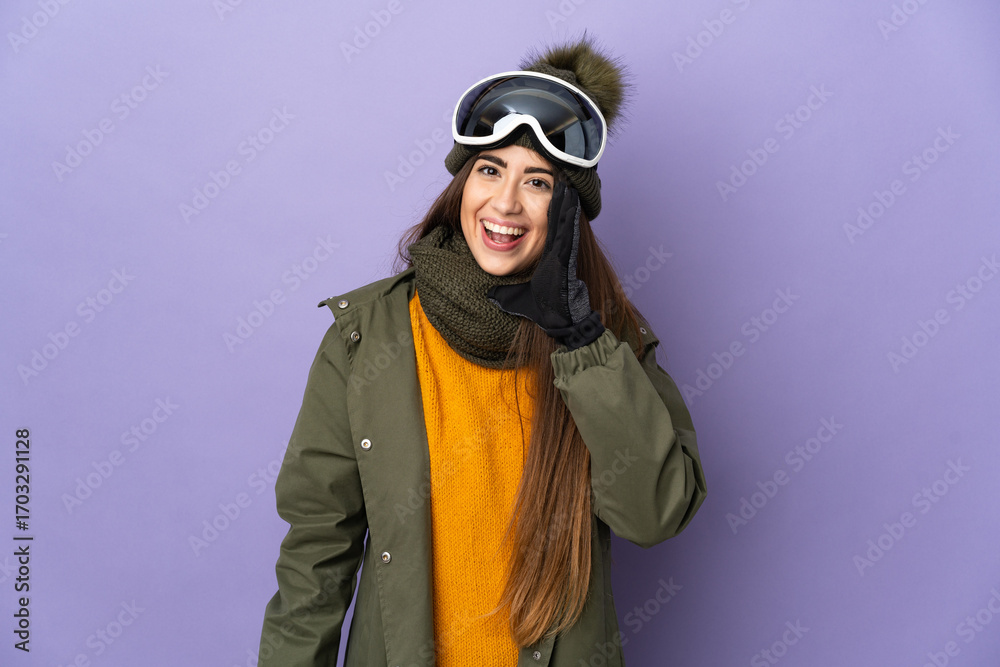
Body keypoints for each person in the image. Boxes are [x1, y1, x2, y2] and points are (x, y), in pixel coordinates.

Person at [257, 35, 707, 666]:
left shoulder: (608, 345)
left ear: (569, 208)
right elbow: (314, 557)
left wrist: (580, 343)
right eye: (490, 170)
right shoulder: (367, 338)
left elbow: (655, 515)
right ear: (463, 183)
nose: (505, 203)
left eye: (538, 182)